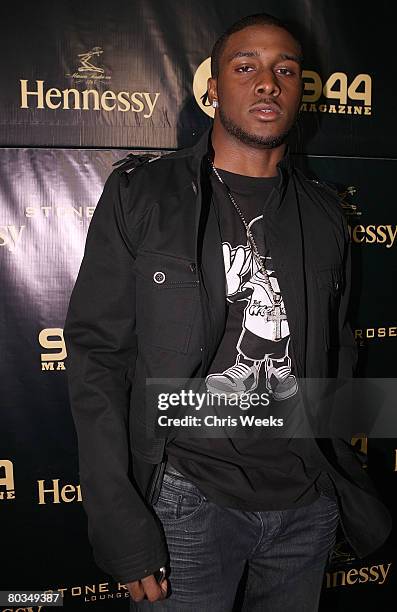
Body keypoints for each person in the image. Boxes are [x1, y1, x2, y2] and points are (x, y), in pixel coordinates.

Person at [63, 12, 392, 612]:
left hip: (306, 504)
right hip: (185, 503)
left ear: (300, 91)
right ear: (213, 88)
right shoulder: (144, 195)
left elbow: (338, 349)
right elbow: (98, 363)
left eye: (285, 70)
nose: (268, 82)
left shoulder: (324, 214)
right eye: (247, 68)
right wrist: (119, 520)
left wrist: (336, 467)